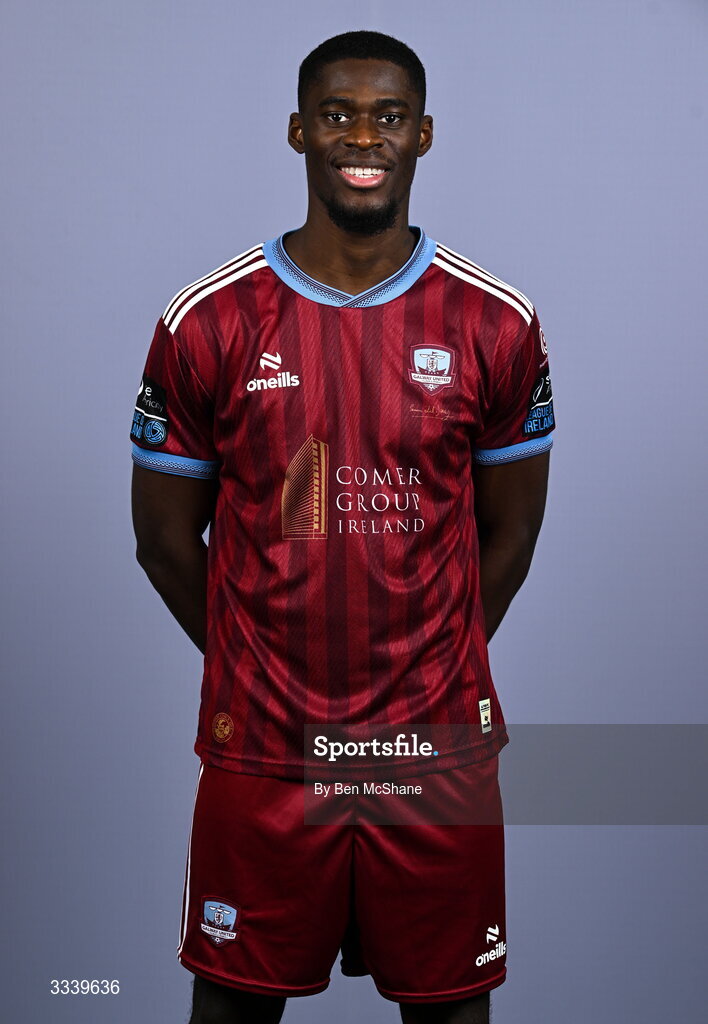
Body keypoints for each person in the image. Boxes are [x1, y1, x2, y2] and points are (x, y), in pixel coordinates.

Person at [130, 29, 555, 1024]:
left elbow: (514, 534)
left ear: (424, 136)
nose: (362, 136)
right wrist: (256, 660)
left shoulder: (496, 323)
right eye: (336, 114)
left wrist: (430, 665)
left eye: (388, 116)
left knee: (449, 1010)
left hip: (433, 756)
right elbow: (161, 538)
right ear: (297, 132)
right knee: (232, 1007)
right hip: (267, 753)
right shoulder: (211, 320)